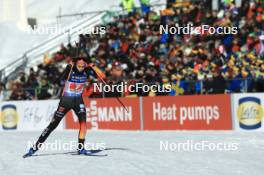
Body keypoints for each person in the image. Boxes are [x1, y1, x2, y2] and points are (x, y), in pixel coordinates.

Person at [24, 58, 100, 156]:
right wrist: (68, 66)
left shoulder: (87, 72)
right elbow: (59, 80)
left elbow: (102, 76)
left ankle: (81, 148)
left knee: (83, 124)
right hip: (66, 101)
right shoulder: (71, 71)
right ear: (75, 65)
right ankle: (34, 148)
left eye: (83, 66)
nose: (81, 68)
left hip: (78, 101)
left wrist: (94, 67)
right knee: (52, 126)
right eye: (79, 66)